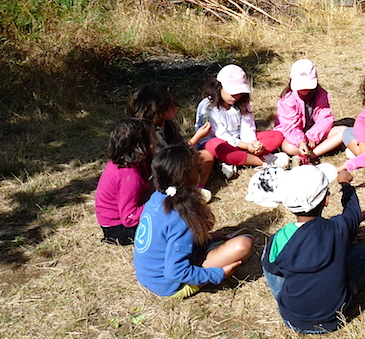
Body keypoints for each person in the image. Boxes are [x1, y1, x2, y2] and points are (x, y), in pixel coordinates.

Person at [133, 144, 254, 299]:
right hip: (168, 284)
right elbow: (175, 271)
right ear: (183, 177)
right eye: (197, 169)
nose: (202, 171)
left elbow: (166, 239)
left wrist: (206, 237)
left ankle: (208, 248)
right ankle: (208, 253)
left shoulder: (157, 197)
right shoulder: (180, 217)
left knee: (236, 240)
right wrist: (218, 274)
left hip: (148, 276)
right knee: (243, 244)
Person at [261, 164, 365, 334]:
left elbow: (272, 268)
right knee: (360, 251)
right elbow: (353, 211)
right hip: (336, 317)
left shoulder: (280, 237)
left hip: (292, 319)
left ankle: (284, 295)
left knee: (268, 257)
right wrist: (346, 185)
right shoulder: (339, 228)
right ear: (326, 200)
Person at [195, 64, 288, 178]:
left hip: (240, 142)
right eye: (232, 93)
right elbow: (221, 134)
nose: (236, 97)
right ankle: (263, 161)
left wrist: (252, 142)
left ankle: (234, 160)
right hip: (219, 143)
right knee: (214, 145)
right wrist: (246, 146)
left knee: (277, 136)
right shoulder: (207, 106)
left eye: (239, 93)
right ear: (219, 87)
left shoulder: (242, 103)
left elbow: (247, 126)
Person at [127, 83, 215, 200]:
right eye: (170, 104)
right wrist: (196, 138)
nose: (175, 107)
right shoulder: (149, 132)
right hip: (157, 175)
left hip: (173, 167)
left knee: (206, 157)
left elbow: (180, 148)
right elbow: (169, 160)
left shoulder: (168, 125)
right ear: (158, 108)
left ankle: (195, 191)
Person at [273, 59, 347, 166]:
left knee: (343, 131)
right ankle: (318, 150)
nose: (305, 88)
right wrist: (301, 141)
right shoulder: (287, 99)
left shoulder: (321, 94)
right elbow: (289, 126)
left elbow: (325, 118)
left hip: (315, 133)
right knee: (288, 147)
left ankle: (310, 155)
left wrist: (312, 136)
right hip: (294, 137)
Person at [95, 118, 155, 245]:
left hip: (124, 215)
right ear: (144, 146)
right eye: (153, 137)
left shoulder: (132, 160)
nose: (156, 141)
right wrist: (156, 204)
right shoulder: (129, 175)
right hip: (118, 229)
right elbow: (129, 218)